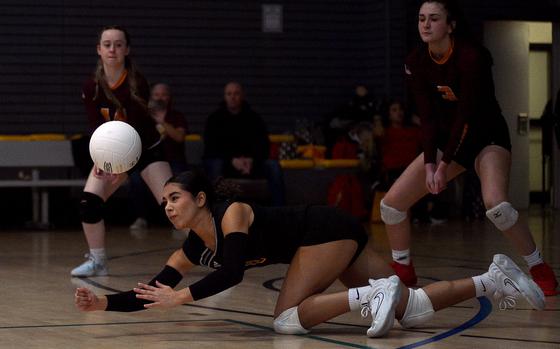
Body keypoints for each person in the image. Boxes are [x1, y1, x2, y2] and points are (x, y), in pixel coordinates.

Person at [75, 170, 545, 338]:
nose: (168, 206)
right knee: (412, 308)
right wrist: (104, 304)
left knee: (286, 319)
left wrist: (183, 300)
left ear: (200, 198)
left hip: (322, 229)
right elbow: (152, 290)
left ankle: (371, 295)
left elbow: (234, 272)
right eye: (164, 202)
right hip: (332, 235)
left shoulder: (231, 212)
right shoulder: (193, 248)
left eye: (174, 197)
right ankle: (494, 279)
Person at [380, 0, 558, 295]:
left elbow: (467, 115)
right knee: (391, 205)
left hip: (486, 137)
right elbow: (427, 119)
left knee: (496, 206)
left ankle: (538, 266)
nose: (425, 24)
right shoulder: (416, 61)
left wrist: (444, 163)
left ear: (450, 26)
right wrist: (429, 164)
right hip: (448, 138)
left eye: (434, 19)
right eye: (421, 18)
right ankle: (404, 269)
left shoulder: (472, 57)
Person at [71, 25, 173, 277]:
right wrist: (102, 160)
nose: (112, 49)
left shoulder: (137, 82)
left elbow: (137, 128)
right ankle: (98, 261)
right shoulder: (91, 86)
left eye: (118, 44)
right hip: (115, 153)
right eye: (107, 44)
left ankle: (212, 252)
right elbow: (97, 128)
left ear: (127, 49)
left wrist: (124, 169)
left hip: (147, 150)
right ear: (99, 49)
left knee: (174, 205)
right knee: (89, 201)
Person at [203, 81, 285, 206]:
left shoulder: (254, 118)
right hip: (226, 163)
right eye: (229, 94)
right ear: (224, 96)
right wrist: (232, 160)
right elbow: (210, 147)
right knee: (215, 164)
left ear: (242, 96)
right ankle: (216, 211)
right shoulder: (214, 119)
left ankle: (279, 212)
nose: (232, 97)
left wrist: (252, 160)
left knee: (273, 166)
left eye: (236, 93)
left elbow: (263, 145)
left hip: (251, 164)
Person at [129, 82, 188, 231]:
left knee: (177, 181)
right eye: (156, 94)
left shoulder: (177, 116)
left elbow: (179, 137)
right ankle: (141, 218)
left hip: (173, 160)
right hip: (149, 161)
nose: (160, 98)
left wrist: (161, 121)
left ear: (170, 97)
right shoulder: (143, 117)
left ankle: (180, 219)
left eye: (164, 94)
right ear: (150, 97)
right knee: (135, 178)